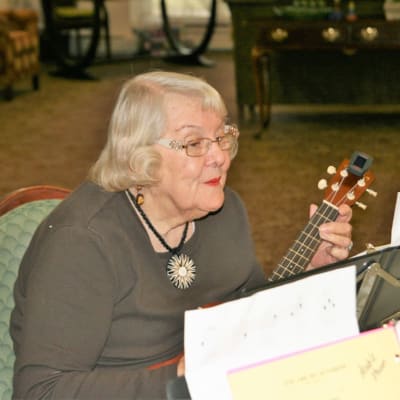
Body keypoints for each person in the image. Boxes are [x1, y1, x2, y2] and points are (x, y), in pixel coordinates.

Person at [10, 71, 353, 399]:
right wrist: (184, 376)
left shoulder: (223, 210)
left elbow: (248, 312)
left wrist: (313, 269)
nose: (219, 156)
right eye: (194, 143)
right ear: (140, 158)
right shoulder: (82, 243)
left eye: (221, 137)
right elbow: (41, 392)